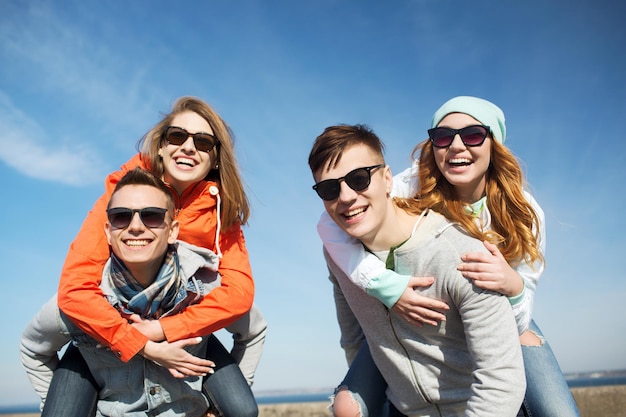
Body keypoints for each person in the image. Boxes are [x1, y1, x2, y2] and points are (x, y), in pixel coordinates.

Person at [318, 96, 579, 417]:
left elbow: (518, 317)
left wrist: (514, 286)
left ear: (494, 144)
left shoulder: (523, 214)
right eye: (443, 137)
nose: (456, 146)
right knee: (347, 406)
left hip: (502, 313)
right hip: (415, 309)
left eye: (472, 135)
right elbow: (332, 224)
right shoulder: (411, 183)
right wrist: (384, 284)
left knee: (558, 411)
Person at [22, 96, 266, 417]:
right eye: (177, 136)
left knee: (242, 409)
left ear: (216, 158)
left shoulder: (222, 211)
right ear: (161, 146)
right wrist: (137, 342)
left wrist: (163, 330)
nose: (188, 147)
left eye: (203, 142)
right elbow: (76, 285)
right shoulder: (122, 195)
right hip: (108, 327)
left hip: (178, 316)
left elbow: (239, 294)